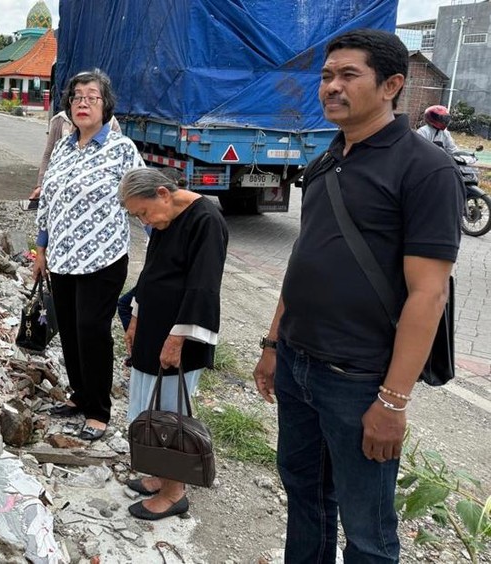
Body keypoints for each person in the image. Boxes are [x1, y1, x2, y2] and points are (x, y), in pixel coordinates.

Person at [252, 29, 463, 562]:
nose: (331, 87)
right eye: (326, 76)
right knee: (304, 498)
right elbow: (305, 259)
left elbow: (428, 295)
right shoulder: (327, 159)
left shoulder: (426, 170)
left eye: (349, 75)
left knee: (367, 528)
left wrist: (392, 401)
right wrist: (274, 343)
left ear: (391, 85)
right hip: (298, 364)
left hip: (359, 381)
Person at [32, 69, 144, 441]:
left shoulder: (122, 149)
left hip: (103, 259)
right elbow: (47, 199)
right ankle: (79, 398)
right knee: (69, 333)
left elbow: (143, 198)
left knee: (92, 332)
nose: (83, 103)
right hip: (61, 257)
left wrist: (164, 242)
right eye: (77, 96)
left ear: (105, 105)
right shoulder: (64, 147)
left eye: (91, 97)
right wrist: (41, 248)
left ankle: (98, 411)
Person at [119, 167, 228, 521]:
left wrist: (178, 337)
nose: (145, 220)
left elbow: (203, 286)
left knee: (171, 413)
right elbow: (152, 272)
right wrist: (135, 316)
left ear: (163, 194)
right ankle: (161, 475)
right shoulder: (167, 220)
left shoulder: (205, 221)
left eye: (144, 212)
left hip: (179, 335)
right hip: (155, 327)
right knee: (149, 407)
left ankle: (174, 491)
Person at [29, 110, 122, 208]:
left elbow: (119, 156)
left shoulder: (110, 121)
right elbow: (48, 154)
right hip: (64, 191)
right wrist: (40, 185)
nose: (84, 103)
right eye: (77, 98)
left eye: (92, 98)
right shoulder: (60, 120)